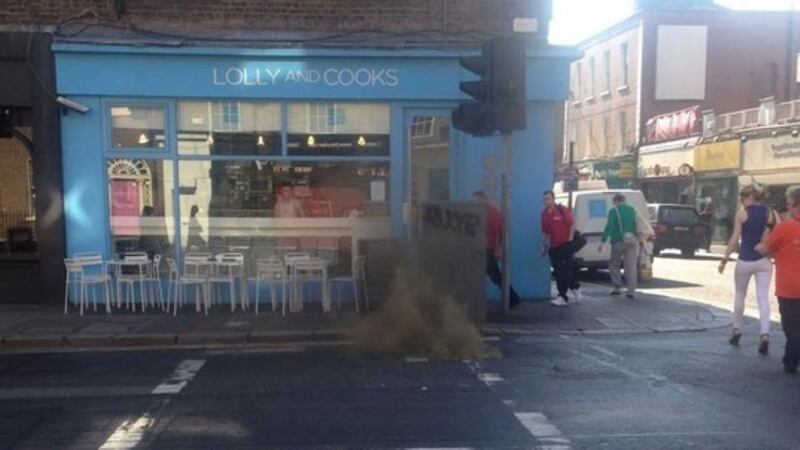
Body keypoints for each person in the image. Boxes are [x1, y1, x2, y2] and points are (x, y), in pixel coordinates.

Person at [719, 184, 779, 354]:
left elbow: (734, 238)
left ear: (752, 197)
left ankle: (737, 329)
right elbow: (780, 233)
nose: (742, 200)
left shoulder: (742, 213)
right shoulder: (771, 213)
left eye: (744, 196)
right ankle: (765, 334)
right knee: (763, 298)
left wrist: (724, 259)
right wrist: (767, 243)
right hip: (764, 260)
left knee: (740, 295)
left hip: (745, 260)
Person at [756, 185, 800, 374]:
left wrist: (760, 244)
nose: (787, 207)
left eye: (789, 203)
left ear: (795, 205)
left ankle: (790, 362)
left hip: (789, 287)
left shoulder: (784, 227)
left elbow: (765, 250)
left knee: (792, 329)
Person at [473, 191, 520, 308]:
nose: (475, 202)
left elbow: (498, 232)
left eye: (476, 200)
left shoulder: (492, 212)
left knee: (496, 277)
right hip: (479, 249)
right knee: (481, 276)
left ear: (483, 199)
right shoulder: (477, 212)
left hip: (488, 249)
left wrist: (496, 250)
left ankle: (513, 298)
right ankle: (512, 298)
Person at [541, 190, 581, 307]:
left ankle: (562, 296)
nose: (546, 201)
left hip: (564, 245)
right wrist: (544, 246)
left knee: (562, 272)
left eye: (548, 198)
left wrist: (569, 240)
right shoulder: (544, 214)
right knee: (559, 272)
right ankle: (575, 287)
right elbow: (546, 232)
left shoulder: (561, 210)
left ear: (553, 199)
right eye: (544, 199)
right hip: (553, 247)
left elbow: (572, 224)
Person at [598, 193, 638, 299]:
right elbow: (637, 224)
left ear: (615, 201)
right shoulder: (632, 209)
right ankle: (631, 291)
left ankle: (617, 287)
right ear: (624, 200)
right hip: (632, 241)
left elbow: (609, 226)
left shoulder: (613, 210)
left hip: (618, 241)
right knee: (631, 266)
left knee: (613, 263)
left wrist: (602, 242)